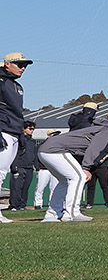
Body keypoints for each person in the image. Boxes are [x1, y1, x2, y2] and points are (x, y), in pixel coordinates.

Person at [38, 108, 108, 222]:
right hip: (55, 150)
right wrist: (86, 167)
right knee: (79, 177)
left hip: (46, 150)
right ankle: (72, 213)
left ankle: (51, 214)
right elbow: (94, 149)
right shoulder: (107, 130)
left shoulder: (101, 128)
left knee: (65, 181)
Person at [0, 53, 34, 224]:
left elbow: (17, 113)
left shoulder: (17, 85)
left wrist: (21, 134)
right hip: (3, 130)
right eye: (19, 64)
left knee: (3, 171)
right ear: (7, 64)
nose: (23, 68)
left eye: (25, 65)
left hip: (14, 132)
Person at [8, 120, 38, 212]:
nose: (32, 130)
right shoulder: (19, 140)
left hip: (29, 167)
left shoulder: (32, 142)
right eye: (30, 129)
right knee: (16, 187)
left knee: (25, 188)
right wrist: (14, 166)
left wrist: (36, 167)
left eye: (33, 129)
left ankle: (22, 205)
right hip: (19, 166)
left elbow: (34, 155)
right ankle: (14, 205)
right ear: (24, 129)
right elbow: (14, 154)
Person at [33, 130, 60, 209]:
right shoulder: (42, 145)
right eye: (54, 134)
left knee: (54, 188)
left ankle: (51, 204)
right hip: (44, 169)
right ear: (48, 136)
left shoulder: (58, 146)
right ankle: (38, 204)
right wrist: (37, 167)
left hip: (54, 169)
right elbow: (36, 157)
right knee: (40, 188)